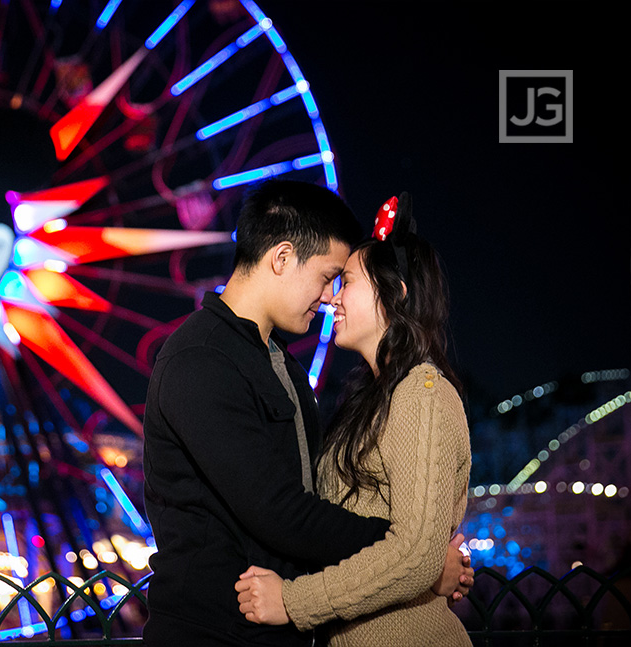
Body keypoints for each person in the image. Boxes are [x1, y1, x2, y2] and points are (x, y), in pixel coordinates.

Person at [142, 182, 471, 646]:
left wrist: (415, 556)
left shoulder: (285, 367)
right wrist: (419, 556)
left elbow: (316, 501)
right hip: (216, 631)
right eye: (326, 276)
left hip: (280, 629)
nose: (328, 297)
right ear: (281, 258)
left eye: (343, 281)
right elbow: (281, 511)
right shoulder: (199, 360)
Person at [235, 193, 473, 646]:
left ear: (394, 293)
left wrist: (292, 601)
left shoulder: (421, 396)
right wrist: (429, 564)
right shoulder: (373, 402)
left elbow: (414, 555)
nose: (332, 299)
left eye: (346, 283)